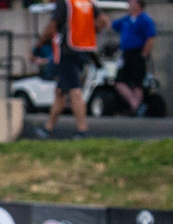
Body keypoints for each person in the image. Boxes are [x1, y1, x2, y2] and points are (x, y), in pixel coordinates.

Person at [34, 0, 109, 139]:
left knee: (75, 91)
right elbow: (104, 20)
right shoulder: (86, 3)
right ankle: (48, 127)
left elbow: (53, 25)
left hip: (67, 51)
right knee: (60, 92)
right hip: (82, 50)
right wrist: (92, 30)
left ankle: (82, 130)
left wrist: (39, 44)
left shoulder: (65, 3)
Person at [112, 0, 156, 116]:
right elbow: (112, 25)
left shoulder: (145, 19)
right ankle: (136, 105)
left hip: (137, 54)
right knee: (119, 81)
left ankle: (136, 108)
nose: (129, 4)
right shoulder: (126, 20)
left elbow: (150, 37)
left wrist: (144, 54)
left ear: (138, 4)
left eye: (132, 2)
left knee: (137, 82)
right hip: (126, 54)